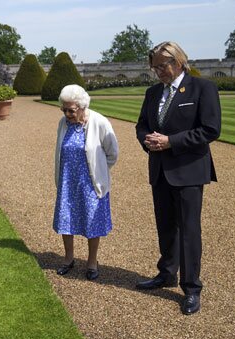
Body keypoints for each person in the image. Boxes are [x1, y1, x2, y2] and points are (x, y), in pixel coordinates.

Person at [134, 41, 221, 315]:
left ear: (179, 61)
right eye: (155, 67)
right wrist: (147, 140)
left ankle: (192, 288)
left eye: (164, 65)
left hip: (188, 169)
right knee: (166, 226)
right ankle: (167, 273)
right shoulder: (152, 93)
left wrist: (171, 141)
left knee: (189, 231)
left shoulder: (202, 88)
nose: (159, 71)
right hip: (159, 169)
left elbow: (210, 129)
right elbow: (142, 125)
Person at [53, 84, 119, 281]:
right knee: (66, 221)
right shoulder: (63, 124)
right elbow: (59, 152)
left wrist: (99, 170)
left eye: (71, 110)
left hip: (90, 183)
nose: (67, 114)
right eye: (64, 109)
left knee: (92, 222)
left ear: (82, 107)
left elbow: (112, 153)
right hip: (67, 182)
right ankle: (68, 258)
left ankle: (92, 262)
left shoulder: (99, 122)